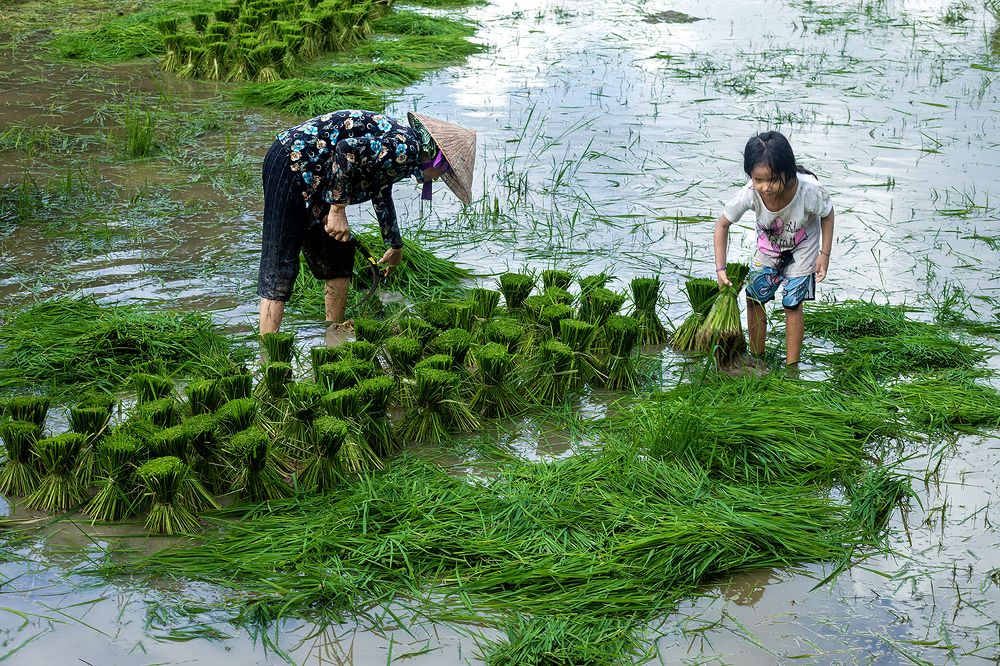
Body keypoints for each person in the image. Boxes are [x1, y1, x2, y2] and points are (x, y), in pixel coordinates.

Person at [257, 109, 476, 333]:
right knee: (280, 266)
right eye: (444, 172)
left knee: (338, 257)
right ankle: (269, 353)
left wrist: (394, 244)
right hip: (291, 164)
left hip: (322, 179)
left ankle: (334, 334)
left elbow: (380, 191)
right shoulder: (406, 148)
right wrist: (338, 209)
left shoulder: (405, 151)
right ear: (437, 159)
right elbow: (346, 149)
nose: (438, 178)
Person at [712, 131, 835, 367]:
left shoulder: (809, 191)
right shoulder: (751, 193)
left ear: (787, 173)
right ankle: (757, 358)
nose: (765, 187)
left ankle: (792, 366)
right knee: (754, 297)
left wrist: (824, 254)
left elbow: (827, 214)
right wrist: (721, 268)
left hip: (802, 248)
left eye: (772, 180)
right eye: (758, 179)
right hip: (768, 249)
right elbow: (722, 225)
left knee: (792, 303)